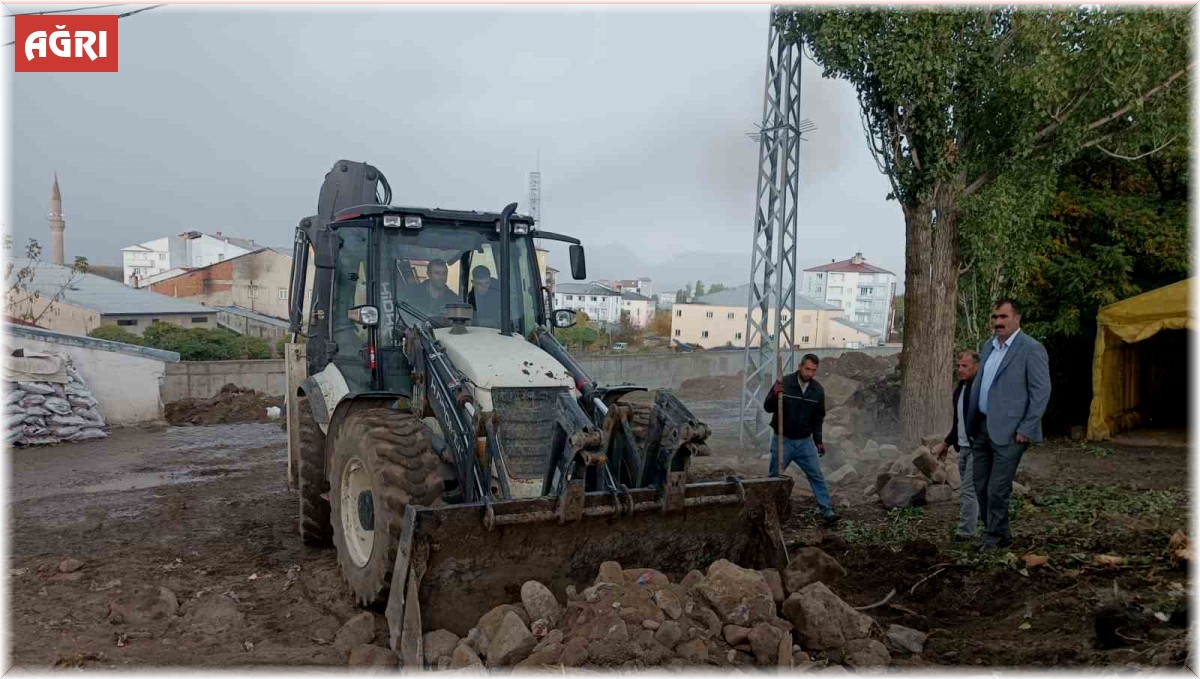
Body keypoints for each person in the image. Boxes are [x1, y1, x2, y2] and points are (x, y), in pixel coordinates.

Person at [967, 298, 1051, 552]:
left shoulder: (1031, 349)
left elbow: (1041, 391)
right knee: (980, 485)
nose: (998, 322)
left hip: (1012, 432)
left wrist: (1027, 427)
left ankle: (992, 538)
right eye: (995, 317)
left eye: (1003, 317)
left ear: (1017, 319)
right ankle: (1002, 533)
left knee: (997, 488)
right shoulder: (988, 347)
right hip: (982, 426)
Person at [763, 353, 839, 526]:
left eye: (813, 370)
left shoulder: (817, 390)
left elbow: (818, 418)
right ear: (800, 366)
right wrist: (775, 395)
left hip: (805, 442)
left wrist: (818, 440)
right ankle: (769, 511)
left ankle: (827, 510)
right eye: (807, 369)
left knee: (816, 475)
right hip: (783, 439)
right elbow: (767, 407)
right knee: (774, 477)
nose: (810, 374)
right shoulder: (784, 383)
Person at [932, 350, 981, 544]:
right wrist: (946, 443)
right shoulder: (960, 389)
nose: (960, 369)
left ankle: (966, 533)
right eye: (958, 365)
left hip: (978, 446)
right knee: (974, 489)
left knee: (968, 489)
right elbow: (957, 422)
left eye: (965, 366)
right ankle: (981, 520)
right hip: (963, 446)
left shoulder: (979, 389)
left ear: (976, 366)